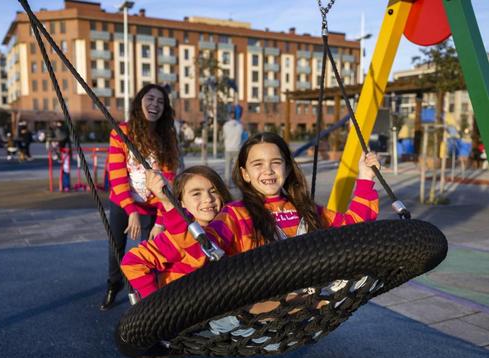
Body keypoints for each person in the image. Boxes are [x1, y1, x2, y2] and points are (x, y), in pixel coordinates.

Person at [149, 132, 380, 271]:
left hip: (309, 295)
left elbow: (356, 226)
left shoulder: (306, 209)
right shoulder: (234, 214)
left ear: (287, 169)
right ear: (245, 173)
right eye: (257, 164)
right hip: (262, 303)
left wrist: (366, 178)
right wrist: (169, 205)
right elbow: (202, 248)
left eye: (276, 163)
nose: (268, 171)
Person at [101, 84, 181, 310]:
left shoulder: (166, 139)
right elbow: (116, 175)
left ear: (164, 109)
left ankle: (149, 294)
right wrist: (130, 211)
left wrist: (161, 221)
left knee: (153, 251)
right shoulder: (121, 133)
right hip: (123, 201)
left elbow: (167, 182)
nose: (154, 104)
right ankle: (113, 284)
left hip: (151, 206)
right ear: (139, 102)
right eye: (150, 99)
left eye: (160, 102)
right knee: (116, 246)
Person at [120, 166, 232, 298]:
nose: (208, 199)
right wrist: (155, 303)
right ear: (181, 202)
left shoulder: (229, 224)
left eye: (214, 191)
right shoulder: (175, 238)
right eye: (196, 193)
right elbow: (132, 261)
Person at [222, 112, 244, 187]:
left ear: (229, 117)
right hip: (237, 148)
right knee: (236, 168)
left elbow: (224, 136)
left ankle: (227, 183)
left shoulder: (225, 126)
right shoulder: (240, 126)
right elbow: (241, 136)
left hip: (228, 148)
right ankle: (237, 182)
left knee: (227, 167)